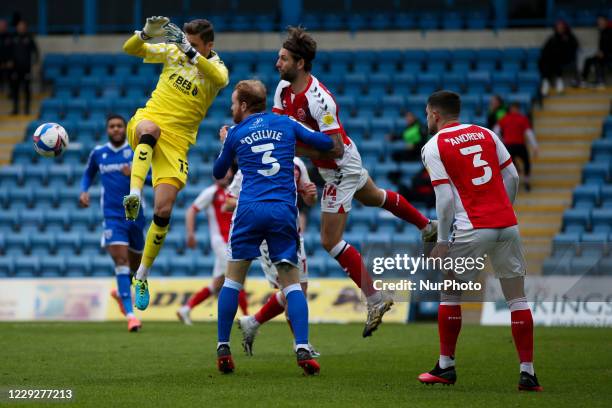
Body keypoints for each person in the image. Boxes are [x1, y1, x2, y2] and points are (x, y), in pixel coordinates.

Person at [273, 26, 437, 338]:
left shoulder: (320, 100)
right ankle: (427, 226)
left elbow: (333, 146)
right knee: (375, 197)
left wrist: (297, 149)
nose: (277, 62)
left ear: (301, 63)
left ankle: (376, 299)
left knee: (329, 241)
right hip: (330, 165)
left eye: (283, 58)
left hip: (339, 166)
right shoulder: (282, 89)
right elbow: (280, 126)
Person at [419, 90, 542, 392]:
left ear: (434, 114)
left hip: (473, 225)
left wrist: (444, 240)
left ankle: (446, 366)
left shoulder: (434, 145)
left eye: (426, 114)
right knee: (517, 298)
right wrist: (505, 209)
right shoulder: (486, 133)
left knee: (450, 291)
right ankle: (528, 372)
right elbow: (512, 176)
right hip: (507, 223)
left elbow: (445, 199)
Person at [213, 79, 333, 375]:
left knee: (232, 282)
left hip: (249, 210)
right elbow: (326, 143)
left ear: (243, 105)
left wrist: (225, 143)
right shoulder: (286, 122)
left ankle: (223, 347)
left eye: (232, 103)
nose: (231, 108)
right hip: (282, 211)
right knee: (292, 283)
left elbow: (219, 173)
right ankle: (302, 347)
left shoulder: (236, 133)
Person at [120, 17, 229, 310]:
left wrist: (190, 53)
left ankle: (141, 275)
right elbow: (131, 49)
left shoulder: (216, 68)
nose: (186, 47)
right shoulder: (173, 52)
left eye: (194, 45)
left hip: (178, 143)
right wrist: (144, 34)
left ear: (209, 46)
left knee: (164, 209)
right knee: (149, 130)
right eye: (186, 42)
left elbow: (220, 80)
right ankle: (135, 194)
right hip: (149, 120)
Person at [230, 156, 318, 356]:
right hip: (266, 237)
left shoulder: (296, 162)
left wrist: (310, 195)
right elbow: (229, 201)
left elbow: (309, 200)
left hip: (293, 233)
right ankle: (301, 344)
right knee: (292, 290)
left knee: (298, 290)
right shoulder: (251, 160)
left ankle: (252, 322)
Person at [79, 114, 145, 332]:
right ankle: (131, 315)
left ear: (125, 129)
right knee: (121, 259)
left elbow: (154, 179)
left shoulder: (136, 153)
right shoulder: (99, 153)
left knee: (135, 268)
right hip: (112, 216)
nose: (116, 129)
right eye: (112, 126)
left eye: (119, 126)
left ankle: (121, 293)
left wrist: (133, 174)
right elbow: (88, 174)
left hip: (134, 216)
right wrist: (84, 191)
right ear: (107, 130)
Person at [176, 170, 249, 324]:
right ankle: (248, 316)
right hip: (220, 242)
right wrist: (190, 234)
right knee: (236, 277)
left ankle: (186, 309)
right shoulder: (211, 192)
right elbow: (191, 210)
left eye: (226, 172)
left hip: (232, 241)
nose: (223, 175)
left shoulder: (233, 192)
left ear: (230, 174)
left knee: (217, 284)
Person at [494, 103, 538, 192]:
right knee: (526, 162)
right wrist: (534, 146)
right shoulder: (522, 118)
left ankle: (513, 182)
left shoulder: (504, 118)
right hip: (519, 145)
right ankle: (526, 182)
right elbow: (529, 133)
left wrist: (499, 142)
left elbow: (496, 130)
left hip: (509, 146)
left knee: (509, 164)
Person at [539, 20, 579, 95]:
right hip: (551, 59)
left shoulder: (569, 37)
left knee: (556, 61)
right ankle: (545, 85)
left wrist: (566, 43)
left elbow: (573, 47)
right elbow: (545, 49)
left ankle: (559, 86)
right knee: (544, 62)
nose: (560, 29)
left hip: (565, 58)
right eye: (558, 27)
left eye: (561, 27)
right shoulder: (553, 38)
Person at [9, 19, 38, 114]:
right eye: (19, 26)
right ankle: (15, 109)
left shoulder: (29, 38)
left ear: (25, 27)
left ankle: (27, 109)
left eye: (22, 26)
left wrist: (35, 64)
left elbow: (35, 52)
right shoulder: (13, 38)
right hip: (15, 69)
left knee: (26, 90)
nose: (21, 28)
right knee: (15, 90)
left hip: (26, 68)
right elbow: (9, 52)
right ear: (17, 27)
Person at [581, 16, 612, 88]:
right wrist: (600, 52)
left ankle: (601, 81)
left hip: (609, 55)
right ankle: (584, 80)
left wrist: (605, 53)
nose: (600, 23)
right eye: (599, 22)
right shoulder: (602, 32)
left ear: (606, 22)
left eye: (602, 21)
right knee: (588, 60)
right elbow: (602, 47)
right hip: (604, 54)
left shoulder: (610, 31)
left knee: (598, 60)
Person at [0, 19, 12, 95]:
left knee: (10, 77)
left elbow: (12, 50)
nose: (2, 27)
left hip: (8, 62)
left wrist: (10, 60)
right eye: (0, 26)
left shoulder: (9, 36)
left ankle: (10, 93)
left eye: (3, 26)